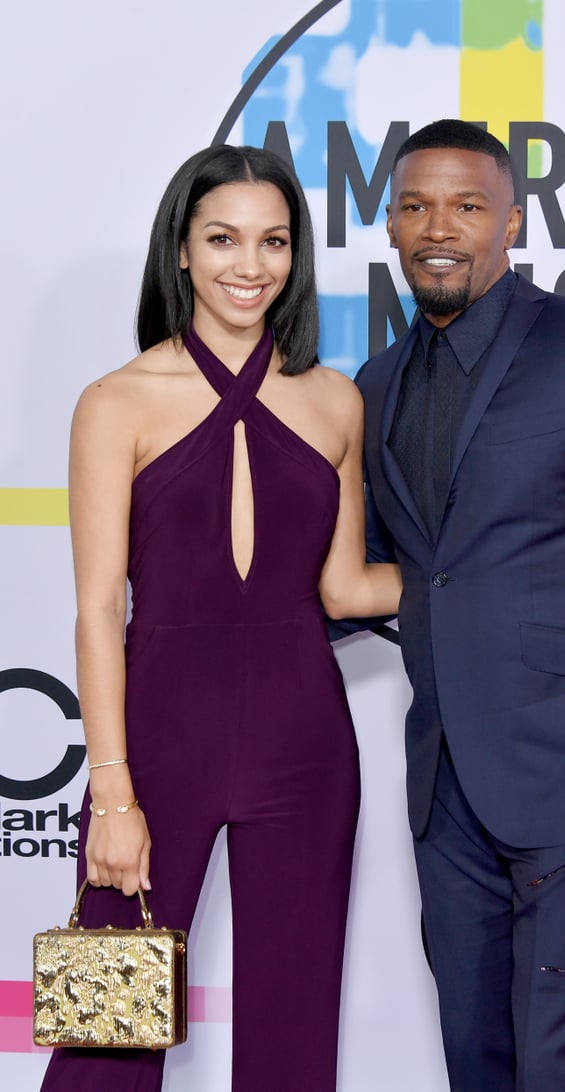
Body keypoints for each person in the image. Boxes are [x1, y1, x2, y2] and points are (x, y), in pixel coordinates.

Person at [352, 119, 565, 1091]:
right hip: (443, 792)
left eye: (466, 206)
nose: (439, 228)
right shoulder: (374, 386)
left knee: (559, 1073)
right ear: (388, 225)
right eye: (416, 205)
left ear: (510, 221)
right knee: (477, 1065)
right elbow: (378, 576)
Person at [40, 144, 401, 1092]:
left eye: (274, 241)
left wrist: (501, 574)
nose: (252, 265)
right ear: (184, 251)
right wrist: (112, 795)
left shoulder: (335, 401)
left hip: (306, 744)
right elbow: (94, 611)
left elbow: (345, 591)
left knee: (294, 1034)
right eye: (225, 239)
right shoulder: (117, 401)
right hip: (156, 744)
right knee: (105, 1035)